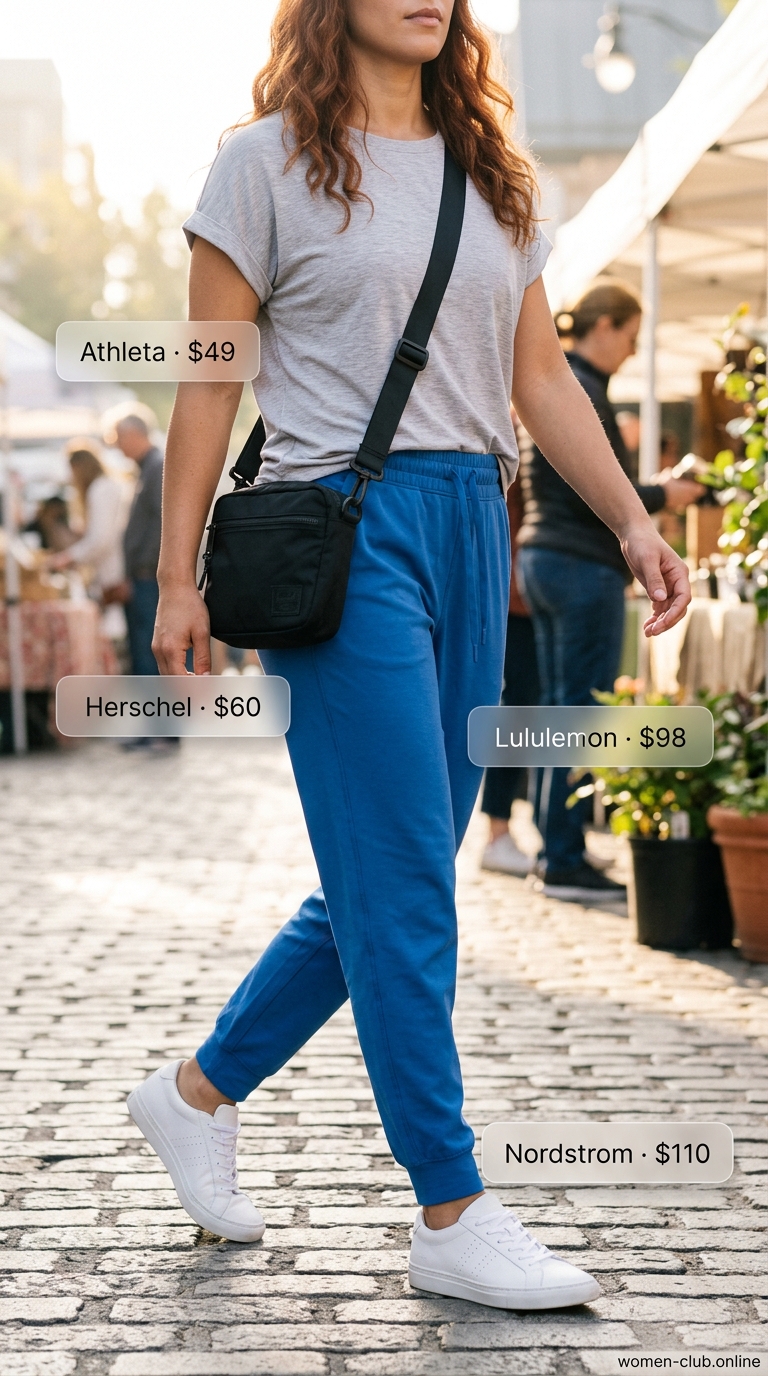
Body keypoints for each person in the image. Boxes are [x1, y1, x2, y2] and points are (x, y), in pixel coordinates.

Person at [126, 0, 690, 1312]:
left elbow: (539, 378)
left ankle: (194, 1093)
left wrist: (628, 520)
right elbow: (210, 380)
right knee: (403, 887)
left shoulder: (491, 170)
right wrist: (172, 575)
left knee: (400, 870)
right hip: (340, 535)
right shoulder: (258, 163)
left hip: (472, 526)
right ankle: (450, 1203)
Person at [516, 281, 703, 902]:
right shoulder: (577, 388)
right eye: (630, 334)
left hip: (542, 560)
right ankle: (564, 855)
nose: (632, 349)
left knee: (557, 708)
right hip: (577, 565)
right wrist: (662, 497)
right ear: (605, 326)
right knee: (579, 712)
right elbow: (594, 486)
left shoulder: (564, 381)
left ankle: (555, 847)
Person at [480, 462, 540, 876]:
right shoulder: (518, 432)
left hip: (520, 592)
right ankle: (497, 833)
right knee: (516, 710)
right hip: (516, 597)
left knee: (527, 710)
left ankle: (515, 831)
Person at [49, 440, 129, 640]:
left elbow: (100, 540)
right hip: (116, 573)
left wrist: (68, 557)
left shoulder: (100, 489)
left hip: (115, 575)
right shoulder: (107, 486)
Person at [112, 410, 164, 676]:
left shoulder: (156, 467)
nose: (117, 445)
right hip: (145, 578)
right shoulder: (148, 468)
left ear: (134, 434)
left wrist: (147, 568)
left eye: (119, 437)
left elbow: (163, 525)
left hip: (150, 579)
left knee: (149, 655)